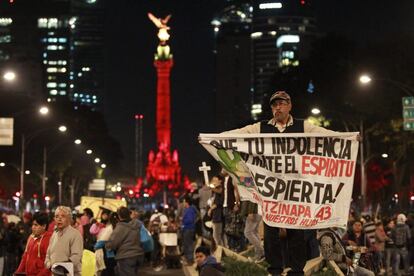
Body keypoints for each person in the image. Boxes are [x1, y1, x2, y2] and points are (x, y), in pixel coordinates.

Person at [223, 91, 334, 275]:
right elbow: (238, 134)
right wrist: (213, 138)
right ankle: (274, 270)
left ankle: (296, 271)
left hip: (295, 191)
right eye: (274, 105)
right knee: (271, 233)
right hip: (271, 192)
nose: (278, 108)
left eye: (282, 104)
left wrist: (350, 137)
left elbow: (326, 135)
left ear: (290, 106)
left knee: (296, 233)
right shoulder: (261, 127)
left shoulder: (302, 126)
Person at [45, 206, 83, 276]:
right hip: (54, 273)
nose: (59, 219)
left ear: (69, 219)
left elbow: (76, 256)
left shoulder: (75, 234)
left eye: (63, 216)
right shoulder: (54, 234)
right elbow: (48, 254)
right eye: (56, 216)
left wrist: (62, 268)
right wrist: (49, 265)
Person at [106, 206, 144, 276]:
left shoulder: (120, 227)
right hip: (138, 255)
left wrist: (107, 246)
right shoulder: (137, 224)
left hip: (126, 257)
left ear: (119, 216)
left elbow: (112, 243)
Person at [181, 196, 198, 265]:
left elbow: (190, 220)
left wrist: (183, 221)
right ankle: (189, 259)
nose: (183, 203)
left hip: (189, 228)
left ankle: (190, 260)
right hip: (187, 228)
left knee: (189, 245)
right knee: (187, 244)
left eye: (184, 202)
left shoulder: (190, 210)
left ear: (187, 202)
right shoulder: (188, 209)